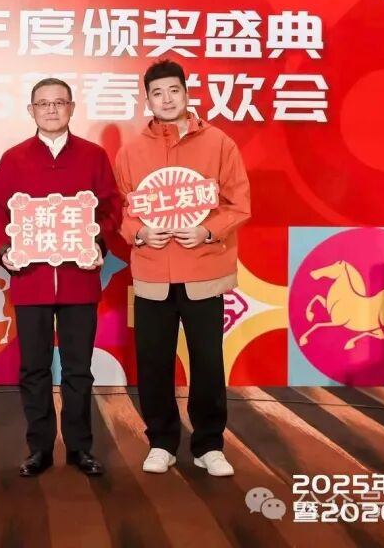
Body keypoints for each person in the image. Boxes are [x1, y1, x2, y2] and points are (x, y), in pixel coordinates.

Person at [113, 60, 251, 476]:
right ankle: (161, 441)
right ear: (148, 100)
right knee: (153, 361)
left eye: (174, 90)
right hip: (153, 272)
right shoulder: (131, 151)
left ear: (187, 94)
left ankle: (210, 444)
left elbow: (238, 203)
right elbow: (118, 208)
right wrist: (138, 233)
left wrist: (208, 231)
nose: (167, 99)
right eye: (157, 93)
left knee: (207, 361)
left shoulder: (219, 143)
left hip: (203, 270)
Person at [0, 78, 122, 477]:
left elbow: (112, 208)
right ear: (31, 110)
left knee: (78, 369)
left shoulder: (93, 156)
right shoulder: (14, 158)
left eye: (59, 102)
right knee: (34, 368)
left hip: (80, 280)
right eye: (42, 103)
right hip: (31, 280)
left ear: (71, 108)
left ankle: (80, 448)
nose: (51, 109)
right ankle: (39, 448)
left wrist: (97, 239)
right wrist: (4, 250)